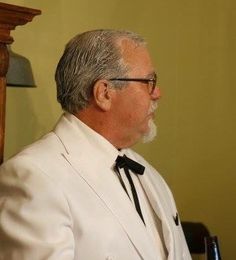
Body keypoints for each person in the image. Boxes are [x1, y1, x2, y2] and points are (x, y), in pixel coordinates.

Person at [0, 29, 191, 260]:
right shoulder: (32, 176)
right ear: (104, 93)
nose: (157, 93)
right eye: (149, 82)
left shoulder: (148, 173)